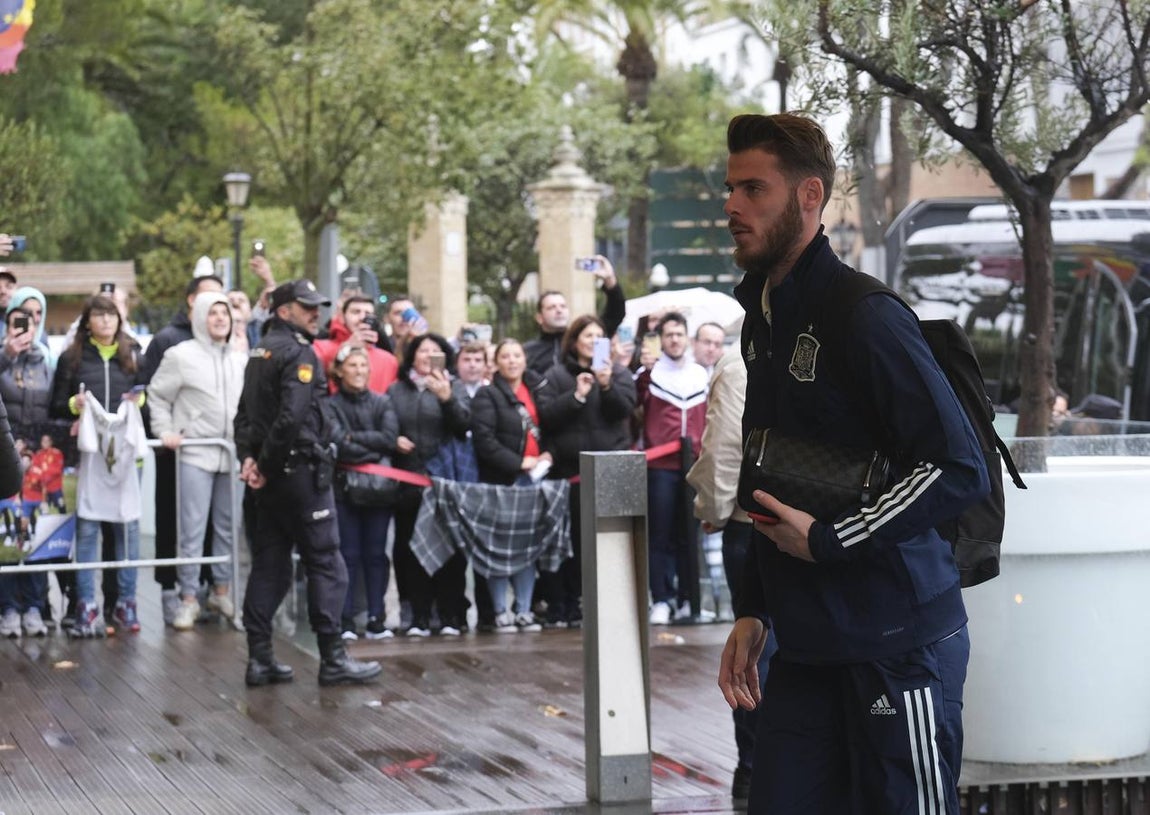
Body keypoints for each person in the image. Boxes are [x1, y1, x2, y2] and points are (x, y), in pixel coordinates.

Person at [717, 113, 989, 814]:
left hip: (899, 648)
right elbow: (766, 474)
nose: (732, 206)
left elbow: (958, 466)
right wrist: (753, 608)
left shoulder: (865, 314)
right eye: (730, 188)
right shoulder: (761, 319)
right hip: (807, 647)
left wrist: (830, 538)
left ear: (809, 196)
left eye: (753, 189)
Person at [235, 279, 381, 686]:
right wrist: (263, 464)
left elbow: (244, 415)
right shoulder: (298, 352)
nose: (316, 313)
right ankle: (332, 659)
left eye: (317, 306)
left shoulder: (260, 351)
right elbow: (291, 418)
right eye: (306, 307)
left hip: (272, 479)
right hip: (298, 474)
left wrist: (250, 459)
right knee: (326, 563)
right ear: (284, 311)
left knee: (271, 564)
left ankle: (260, 658)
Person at [685, 345, 777, 799]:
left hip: (751, 521)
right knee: (764, 647)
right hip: (813, 524)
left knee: (756, 650)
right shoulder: (829, 347)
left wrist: (716, 508)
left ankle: (756, 766)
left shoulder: (742, 361)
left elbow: (723, 444)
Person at [50, 295, 149, 637]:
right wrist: (74, 405)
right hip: (89, 458)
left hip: (126, 459)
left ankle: (125, 601)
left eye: (111, 315)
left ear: (119, 320)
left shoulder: (134, 355)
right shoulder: (72, 358)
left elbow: (146, 401)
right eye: (99, 315)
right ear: (87, 321)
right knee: (88, 529)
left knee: (127, 529)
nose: (106, 321)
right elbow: (56, 405)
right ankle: (85, 603)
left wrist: (139, 401)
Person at [147, 291, 246, 630]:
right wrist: (165, 431)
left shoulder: (239, 359)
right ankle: (188, 598)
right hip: (195, 453)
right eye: (213, 312)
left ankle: (221, 591)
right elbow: (157, 396)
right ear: (200, 316)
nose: (220, 319)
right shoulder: (180, 355)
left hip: (231, 455)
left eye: (225, 313)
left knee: (228, 527)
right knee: (191, 529)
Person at [536, 314, 636, 628]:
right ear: (574, 340)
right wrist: (576, 396)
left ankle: (608, 602)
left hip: (610, 471)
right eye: (587, 335)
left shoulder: (618, 372)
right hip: (571, 474)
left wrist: (606, 385)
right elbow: (546, 417)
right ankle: (569, 602)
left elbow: (625, 410)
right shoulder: (556, 375)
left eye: (598, 336)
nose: (593, 341)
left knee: (610, 540)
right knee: (571, 543)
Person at [387, 333, 472, 636]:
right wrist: (393, 439)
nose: (428, 356)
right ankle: (418, 615)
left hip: (445, 482)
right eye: (423, 351)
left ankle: (449, 614)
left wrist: (446, 398)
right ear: (412, 356)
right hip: (408, 482)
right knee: (410, 548)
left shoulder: (455, 387)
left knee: (451, 548)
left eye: (435, 351)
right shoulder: (397, 390)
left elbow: (464, 425)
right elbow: (385, 423)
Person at [470, 338, 551, 633]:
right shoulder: (487, 395)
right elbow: (485, 440)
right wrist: (518, 462)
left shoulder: (537, 391)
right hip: (502, 481)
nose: (512, 361)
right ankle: (500, 610)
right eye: (505, 356)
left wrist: (548, 454)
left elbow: (550, 427)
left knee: (528, 547)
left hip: (535, 480)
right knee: (499, 548)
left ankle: (524, 609)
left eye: (517, 355)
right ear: (496, 363)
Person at [635, 312, 708, 625]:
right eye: (668, 335)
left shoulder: (701, 374)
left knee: (689, 535)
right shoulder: (649, 375)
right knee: (660, 535)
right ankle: (662, 599)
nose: (674, 340)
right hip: (660, 467)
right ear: (661, 339)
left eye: (679, 334)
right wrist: (644, 371)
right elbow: (632, 402)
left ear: (687, 338)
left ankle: (688, 599)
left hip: (694, 466)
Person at [328, 344, 399, 641]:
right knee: (348, 554)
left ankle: (376, 616)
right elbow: (336, 442)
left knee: (376, 555)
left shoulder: (382, 402)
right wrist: (371, 449)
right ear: (340, 370)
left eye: (363, 365)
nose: (359, 371)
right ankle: (345, 618)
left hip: (379, 492)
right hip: (344, 490)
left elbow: (390, 438)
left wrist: (353, 439)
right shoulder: (331, 405)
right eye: (352, 365)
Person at [524, 256, 626, 375]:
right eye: (552, 307)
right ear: (539, 317)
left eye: (563, 306)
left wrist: (609, 279)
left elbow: (615, 314)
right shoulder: (528, 352)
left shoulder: (582, 340)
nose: (559, 310)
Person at [314, 295, 399, 394]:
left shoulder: (389, 360)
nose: (362, 318)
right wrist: (346, 348)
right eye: (355, 312)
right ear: (342, 317)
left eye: (368, 313)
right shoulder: (320, 348)